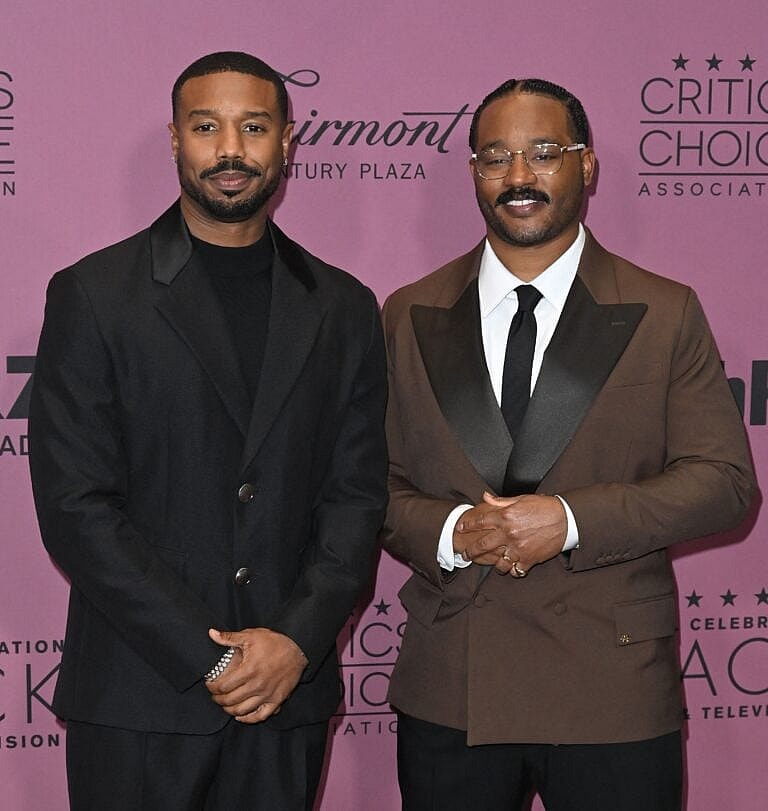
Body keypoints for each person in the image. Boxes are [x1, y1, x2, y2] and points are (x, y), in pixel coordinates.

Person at [381, 77, 756, 811]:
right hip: (453, 682)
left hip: (611, 686)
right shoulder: (407, 312)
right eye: (496, 157)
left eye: (544, 153)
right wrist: (454, 531)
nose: (518, 175)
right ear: (474, 173)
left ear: (586, 165)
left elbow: (723, 482)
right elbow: (370, 487)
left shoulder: (664, 311)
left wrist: (570, 520)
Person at [28, 51, 387, 810]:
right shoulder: (94, 295)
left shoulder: (345, 307)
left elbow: (355, 497)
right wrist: (210, 656)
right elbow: (75, 507)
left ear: (287, 142)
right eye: (206, 127)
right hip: (137, 694)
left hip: (286, 695)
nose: (230, 149)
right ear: (175, 140)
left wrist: (295, 640)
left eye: (253, 127)